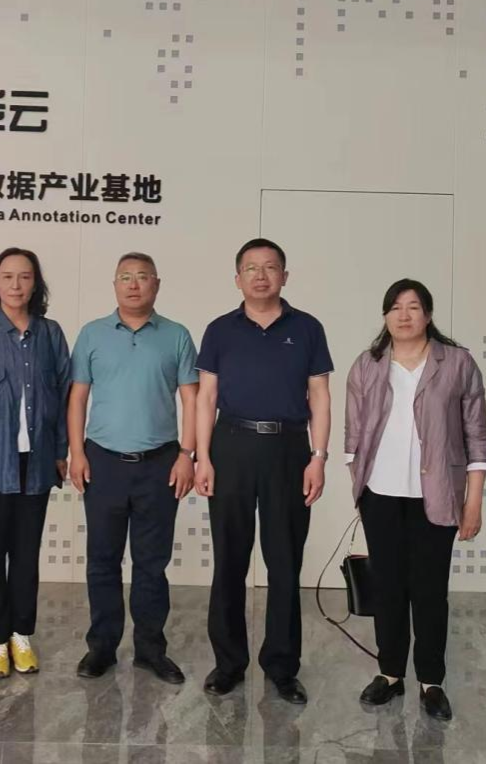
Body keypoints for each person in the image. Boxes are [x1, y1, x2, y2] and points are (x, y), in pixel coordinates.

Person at [344, 278, 486, 721]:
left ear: (428, 314)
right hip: (381, 494)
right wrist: (359, 485)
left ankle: (431, 681)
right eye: (395, 307)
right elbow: (353, 434)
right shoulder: (368, 364)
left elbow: (476, 435)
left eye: (413, 307)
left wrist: (473, 501)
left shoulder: (458, 363)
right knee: (387, 587)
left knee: (429, 591)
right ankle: (389, 673)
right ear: (385, 315)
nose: (403, 315)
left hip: (438, 494)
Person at [194, 238, 332, 704]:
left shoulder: (307, 328)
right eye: (251, 268)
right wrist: (203, 456)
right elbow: (206, 397)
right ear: (237, 278)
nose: (260, 275)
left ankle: (282, 666)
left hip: (289, 449)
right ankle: (228, 663)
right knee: (230, 560)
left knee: (285, 562)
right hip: (231, 445)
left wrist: (318, 456)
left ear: (284, 277)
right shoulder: (220, 330)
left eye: (270, 267)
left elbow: (320, 396)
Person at [68, 252, 198, 685]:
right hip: (102, 461)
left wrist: (187, 455)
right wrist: (76, 452)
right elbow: (77, 397)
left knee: (151, 563)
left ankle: (150, 650)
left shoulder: (176, 335)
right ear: (115, 285)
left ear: (157, 284)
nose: (134, 284)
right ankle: (101, 648)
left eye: (142, 277)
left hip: (160, 463)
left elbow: (192, 399)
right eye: (125, 277)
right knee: (102, 560)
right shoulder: (92, 334)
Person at [0, 247, 70, 678]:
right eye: (8, 277)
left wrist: (60, 451)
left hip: (36, 463)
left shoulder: (50, 334)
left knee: (25, 556)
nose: (16, 285)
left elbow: (64, 397)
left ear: (35, 284)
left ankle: (21, 635)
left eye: (25, 277)